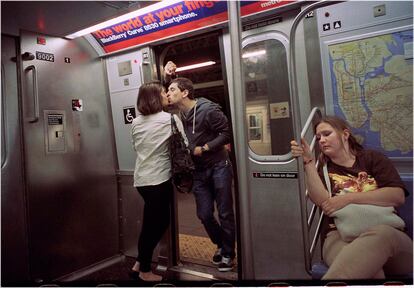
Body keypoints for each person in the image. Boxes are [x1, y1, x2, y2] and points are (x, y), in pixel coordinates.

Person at [290, 115, 413, 279]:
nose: (321, 140)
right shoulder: (325, 169)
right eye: (319, 137)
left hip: (388, 235)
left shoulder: (372, 159)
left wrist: (347, 198)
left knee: (381, 235)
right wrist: (308, 163)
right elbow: (323, 201)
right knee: (370, 271)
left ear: (345, 134)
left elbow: (396, 196)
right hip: (339, 236)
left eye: (327, 134)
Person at [164, 64, 236, 272]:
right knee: (204, 214)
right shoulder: (179, 114)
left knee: (224, 212)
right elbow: (162, 97)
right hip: (198, 171)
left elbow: (226, 133)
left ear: (185, 93)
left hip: (219, 166)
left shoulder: (208, 109)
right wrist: (170, 77)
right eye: (168, 91)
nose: (168, 94)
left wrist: (205, 147)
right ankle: (222, 244)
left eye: (172, 90)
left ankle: (228, 254)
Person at [129, 81, 184, 281]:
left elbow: (136, 147)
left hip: (141, 180)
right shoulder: (170, 119)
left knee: (150, 223)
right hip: (159, 179)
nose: (166, 95)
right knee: (158, 224)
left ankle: (138, 263)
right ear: (155, 97)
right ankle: (144, 271)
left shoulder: (136, 122)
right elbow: (184, 144)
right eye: (163, 93)